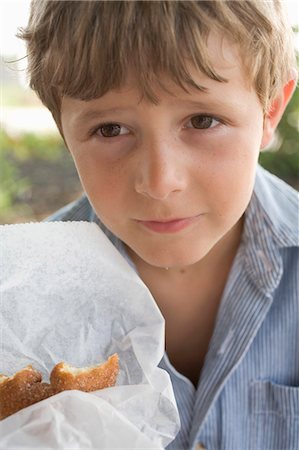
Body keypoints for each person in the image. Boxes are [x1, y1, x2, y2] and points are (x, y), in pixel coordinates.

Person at [18, 1, 298, 449]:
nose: (160, 181)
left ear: (269, 111)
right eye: (110, 129)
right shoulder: (20, 303)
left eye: (203, 121)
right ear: (63, 128)